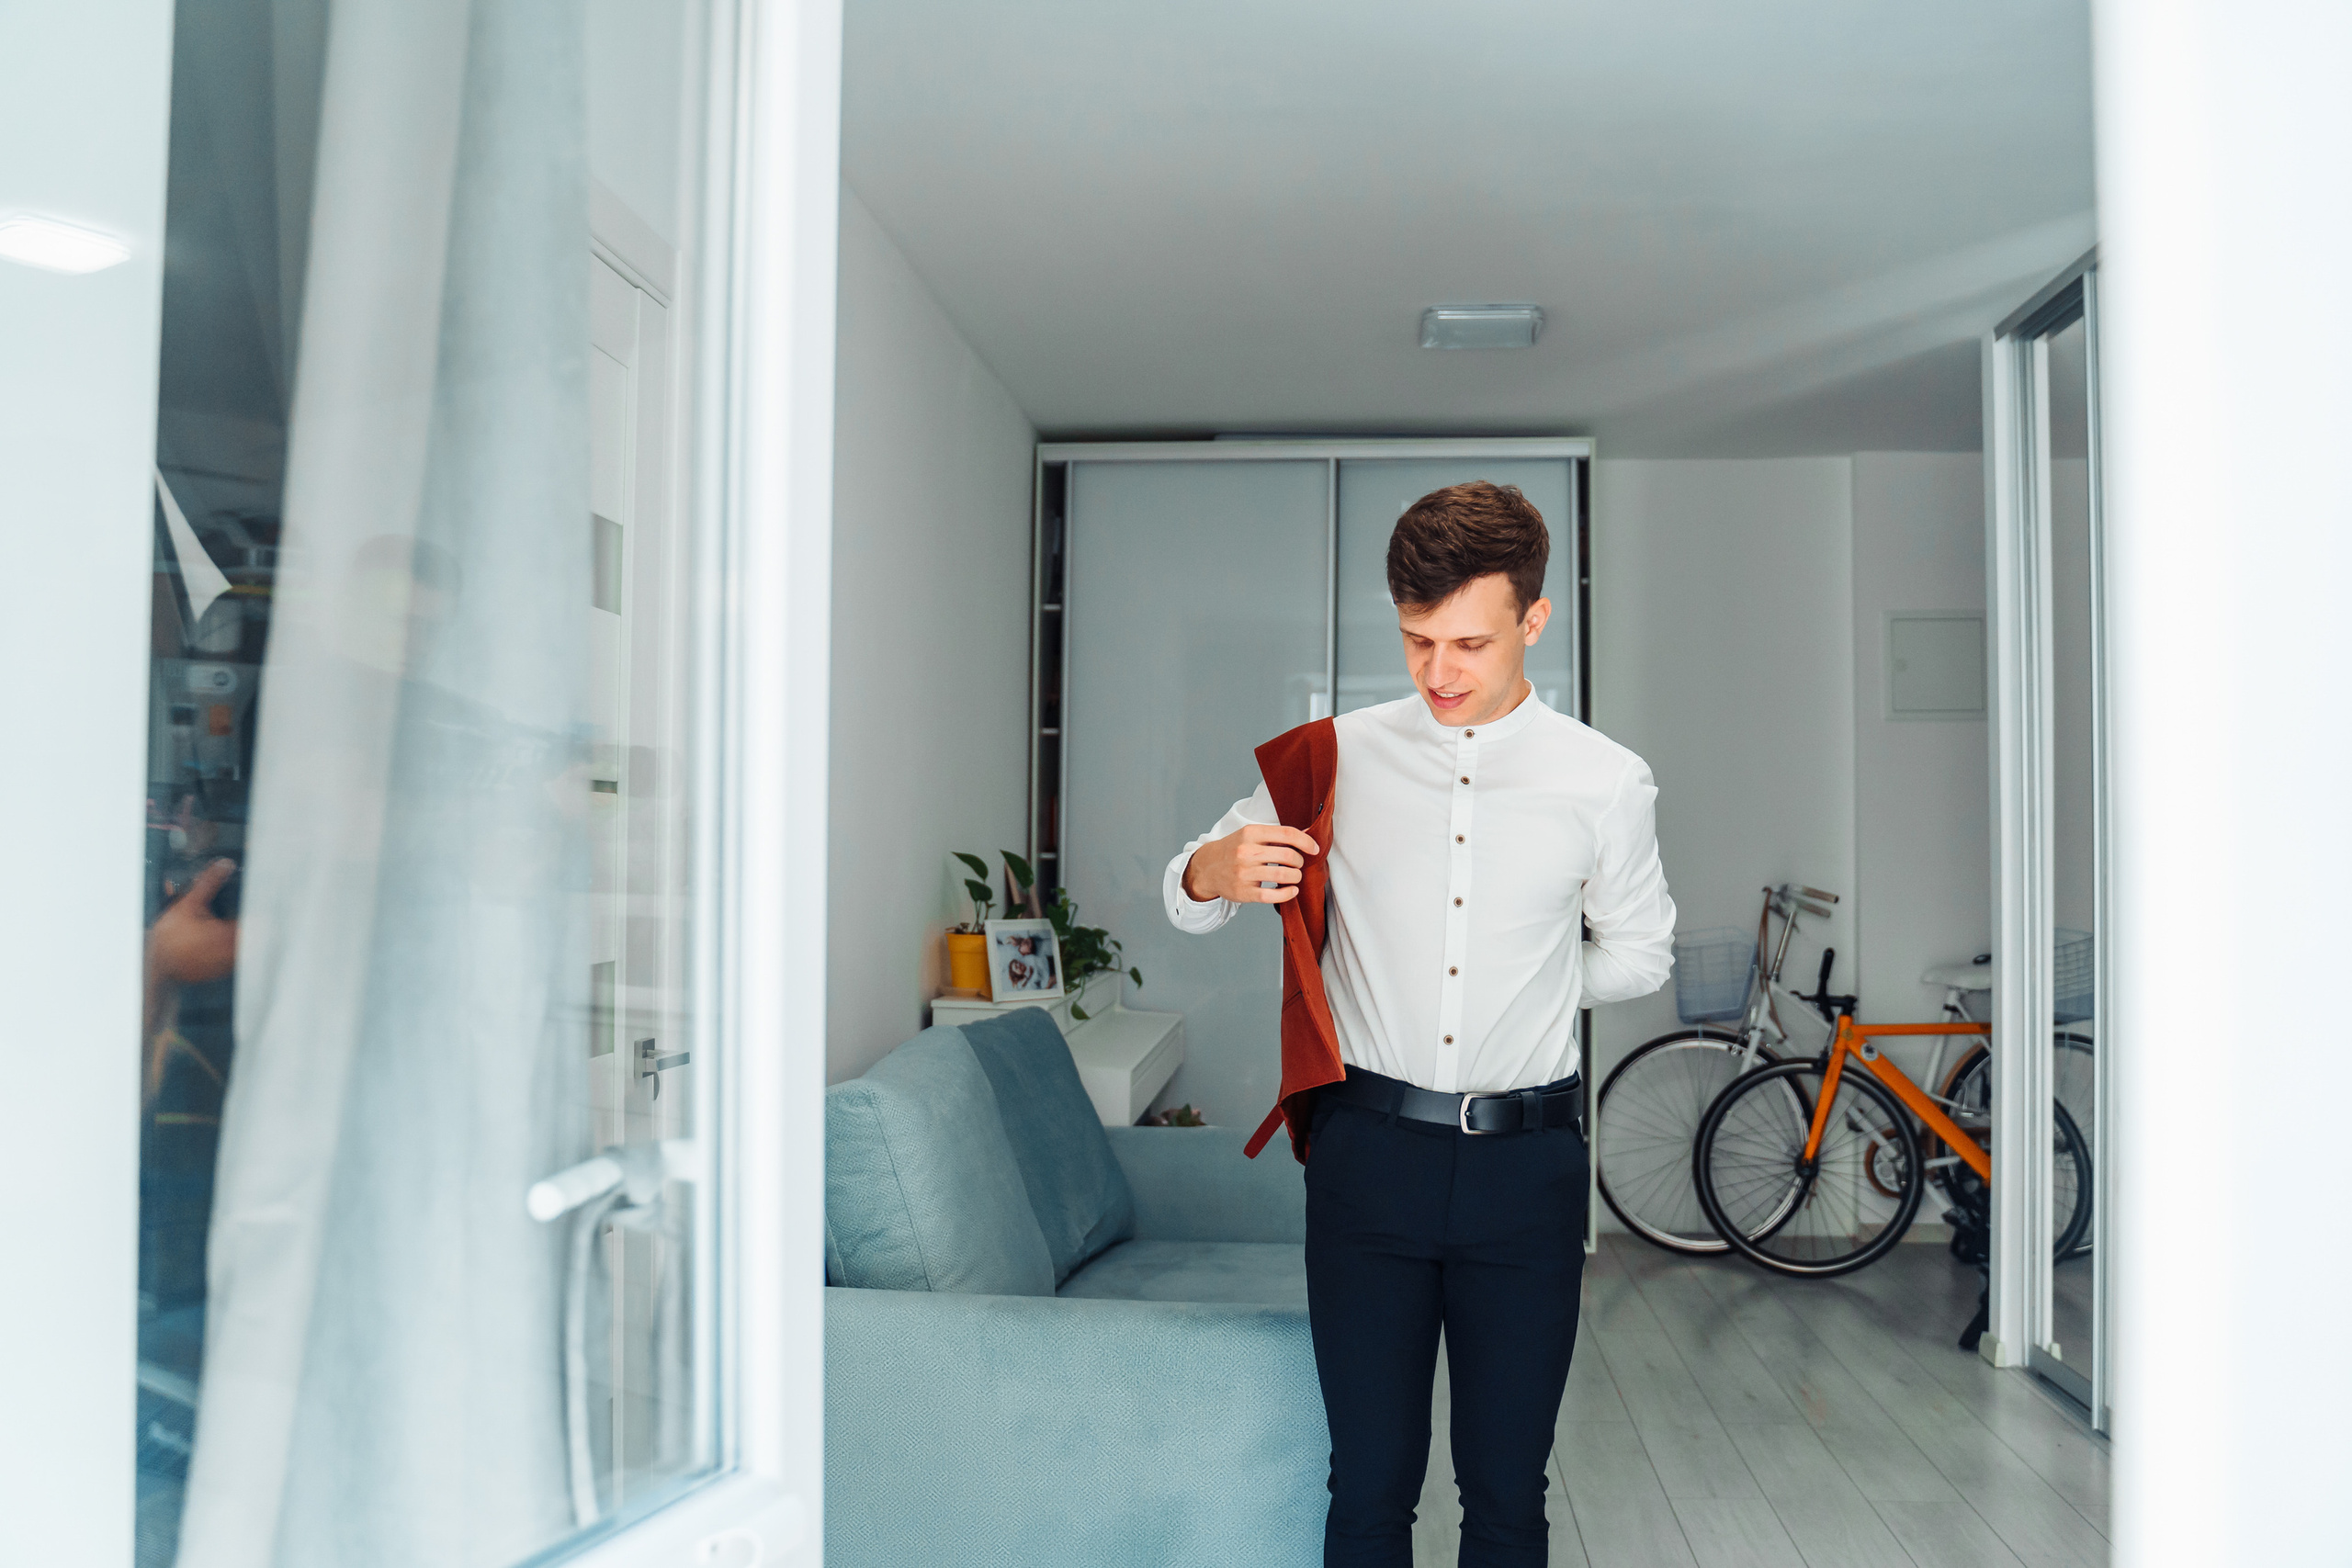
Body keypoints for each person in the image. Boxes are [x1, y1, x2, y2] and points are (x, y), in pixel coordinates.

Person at [1163, 481, 1675, 1567]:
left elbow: (1640, 955)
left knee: (1505, 1494)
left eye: (1468, 643)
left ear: (1532, 623)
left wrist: (1527, 975)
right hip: (1367, 1159)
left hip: (1524, 1172)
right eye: (1414, 639)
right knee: (1367, 1485)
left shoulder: (1604, 783)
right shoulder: (1331, 757)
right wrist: (1211, 867)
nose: (1438, 672)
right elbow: (1194, 889)